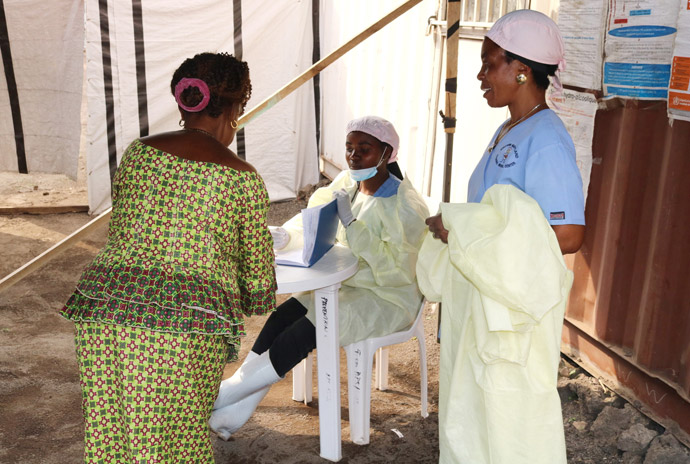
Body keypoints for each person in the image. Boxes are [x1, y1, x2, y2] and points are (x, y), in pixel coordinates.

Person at [59, 52, 276, 463]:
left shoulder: (138, 154)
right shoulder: (241, 178)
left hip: (104, 315)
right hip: (185, 327)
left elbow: (126, 226)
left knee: (114, 440)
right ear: (230, 110)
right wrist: (252, 299)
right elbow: (258, 281)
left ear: (185, 102)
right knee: (178, 442)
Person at [418, 10, 585, 464]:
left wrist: (464, 229)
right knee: (475, 418)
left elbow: (567, 234)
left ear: (523, 70)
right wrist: (460, 228)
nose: (479, 75)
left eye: (489, 63)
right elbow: (496, 217)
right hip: (485, 304)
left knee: (512, 425)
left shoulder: (547, 138)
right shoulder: (509, 128)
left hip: (515, 316)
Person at [209, 115, 430, 440]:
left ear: (387, 153)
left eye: (364, 149)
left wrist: (354, 226)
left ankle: (223, 396)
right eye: (349, 148)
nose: (354, 156)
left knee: (304, 333)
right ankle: (229, 414)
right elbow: (315, 218)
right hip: (347, 285)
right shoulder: (348, 182)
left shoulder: (407, 206)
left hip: (386, 297)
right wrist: (286, 235)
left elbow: (395, 272)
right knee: (280, 318)